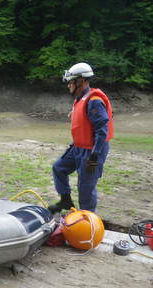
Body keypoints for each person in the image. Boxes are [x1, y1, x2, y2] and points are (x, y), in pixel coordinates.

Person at [49, 62, 114, 214]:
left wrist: (94, 155)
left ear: (82, 81)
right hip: (78, 147)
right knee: (58, 167)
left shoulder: (94, 101)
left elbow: (102, 130)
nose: (69, 85)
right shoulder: (80, 99)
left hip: (91, 150)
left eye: (71, 82)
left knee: (85, 187)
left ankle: (88, 220)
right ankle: (65, 201)